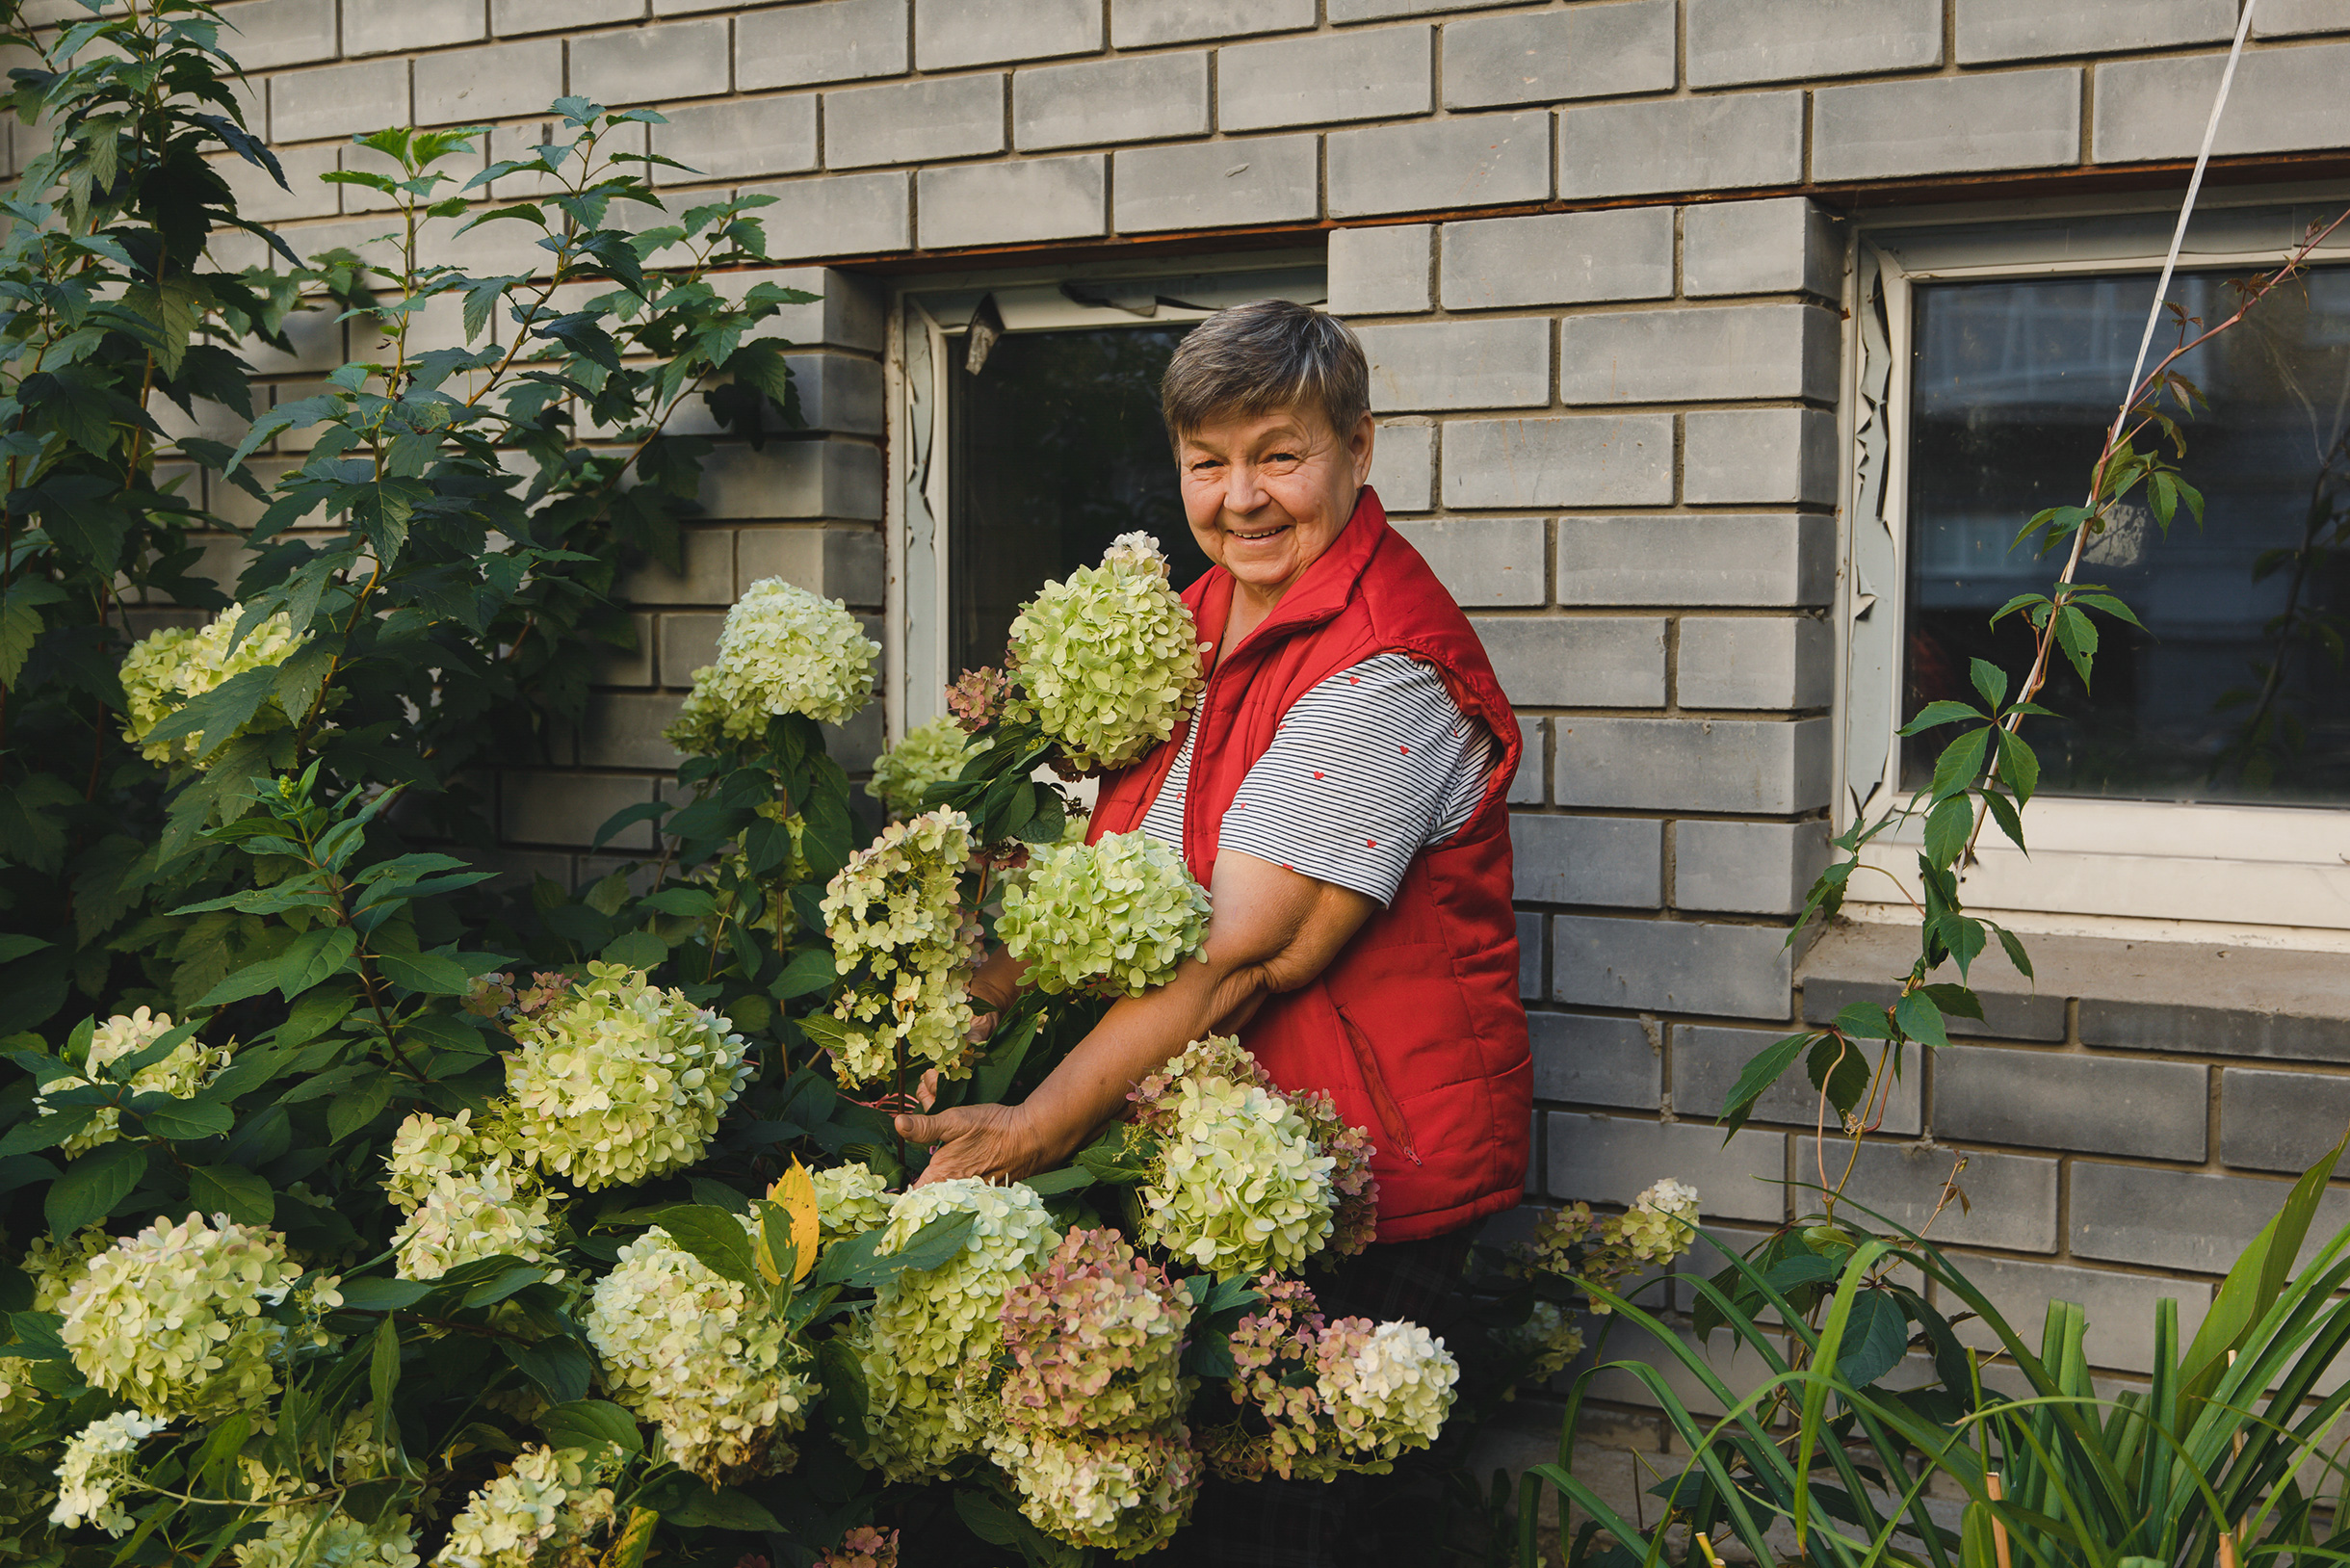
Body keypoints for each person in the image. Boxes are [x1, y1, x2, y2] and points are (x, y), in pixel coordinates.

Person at [896, 299, 1532, 1565]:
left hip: (1366, 1172)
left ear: (1359, 448)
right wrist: (966, 997)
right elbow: (1119, 874)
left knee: (1283, 1523)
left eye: (1279, 454)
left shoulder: (1382, 667)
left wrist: (1037, 1126)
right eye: (1208, 461)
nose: (1241, 495)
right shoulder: (1198, 619)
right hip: (1232, 1145)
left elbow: (1237, 957)